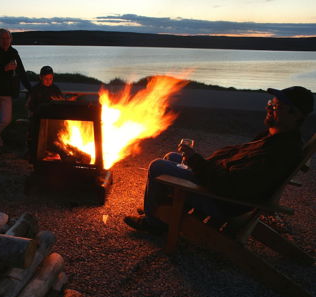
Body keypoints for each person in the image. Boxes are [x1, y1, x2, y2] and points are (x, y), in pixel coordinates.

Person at [124, 86, 314, 233]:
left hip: (221, 200)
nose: (269, 108)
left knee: (157, 166)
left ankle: (154, 223)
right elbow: (237, 168)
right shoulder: (275, 138)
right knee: (172, 157)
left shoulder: (279, 152)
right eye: (270, 103)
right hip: (219, 186)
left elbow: (232, 184)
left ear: (295, 114)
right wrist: (199, 161)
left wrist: (197, 162)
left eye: (275, 106)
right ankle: (162, 209)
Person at [0, 28, 32, 154]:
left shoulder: (13, 52)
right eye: (2, 38)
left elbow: (21, 71)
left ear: (11, 39)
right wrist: (4, 68)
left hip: (6, 91)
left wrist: (31, 88)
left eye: (7, 38)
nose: (5, 41)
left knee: (5, 120)